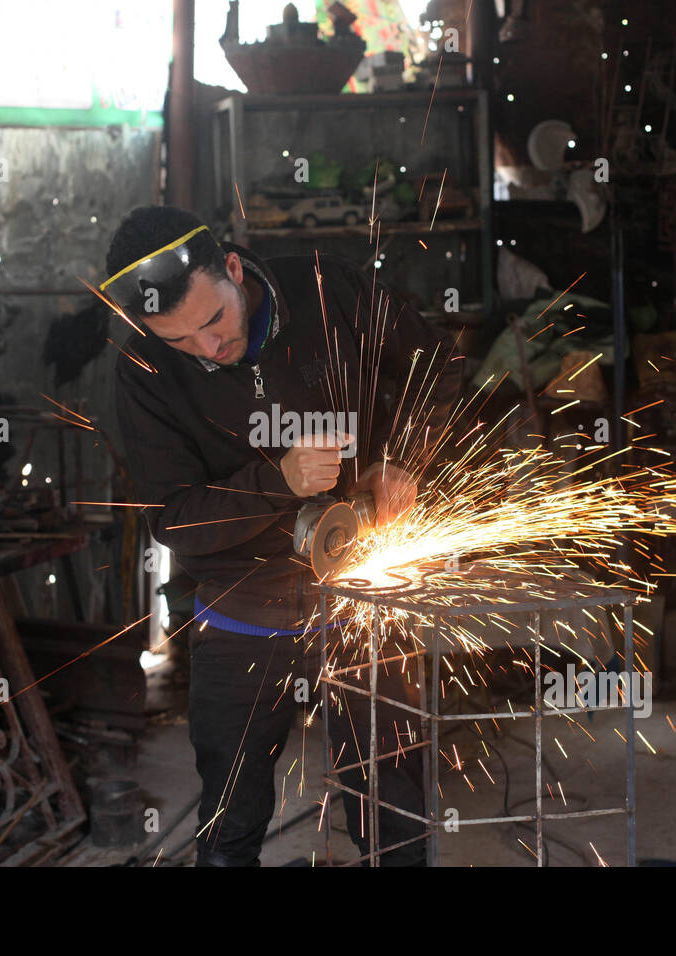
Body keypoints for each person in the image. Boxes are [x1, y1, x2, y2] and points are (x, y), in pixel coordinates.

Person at [107, 205, 460, 865]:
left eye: (214, 320)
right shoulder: (143, 370)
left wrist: (403, 456)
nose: (208, 349)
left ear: (234, 269)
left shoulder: (332, 291)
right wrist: (277, 482)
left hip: (365, 591)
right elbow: (174, 516)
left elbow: (435, 365)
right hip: (242, 606)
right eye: (182, 342)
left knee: (394, 801)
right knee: (230, 813)